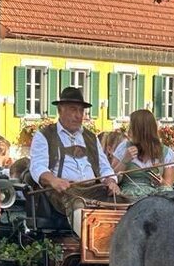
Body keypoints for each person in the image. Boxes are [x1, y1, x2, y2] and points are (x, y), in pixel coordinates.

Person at [27, 87, 121, 225]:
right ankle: (88, 239)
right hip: (63, 192)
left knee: (124, 204)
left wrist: (110, 181)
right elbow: (37, 166)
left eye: (81, 111)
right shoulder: (44, 135)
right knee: (80, 208)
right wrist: (53, 180)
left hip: (93, 189)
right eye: (73, 109)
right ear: (60, 110)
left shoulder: (91, 137)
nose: (78, 115)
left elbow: (104, 167)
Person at [113, 110, 174, 197]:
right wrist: (125, 160)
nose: (128, 131)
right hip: (128, 198)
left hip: (155, 198)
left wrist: (161, 182)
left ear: (141, 131)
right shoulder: (124, 147)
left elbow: (169, 187)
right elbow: (112, 179)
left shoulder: (166, 153)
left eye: (131, 127)